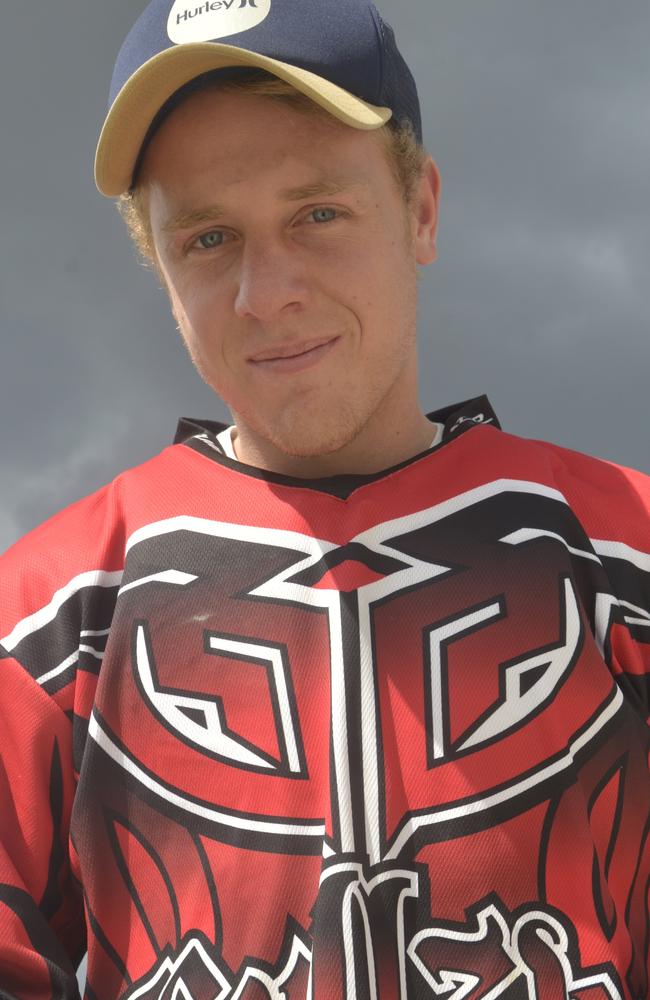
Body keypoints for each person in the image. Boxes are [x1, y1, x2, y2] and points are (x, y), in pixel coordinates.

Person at [0, 0, 648, 996]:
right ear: (161, 271)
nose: (267, 292)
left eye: (316, 213)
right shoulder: (44, 612)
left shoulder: (624, 548)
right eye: (209, 239)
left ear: (420, 209)